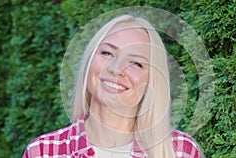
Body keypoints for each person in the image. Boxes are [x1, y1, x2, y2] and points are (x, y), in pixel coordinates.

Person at [23, 14, 203, 158]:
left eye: (135, 63)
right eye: (107, 53)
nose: (116, 69)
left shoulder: (181, 152)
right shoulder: (42, 152)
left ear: (151, 81)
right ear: (89, 60)